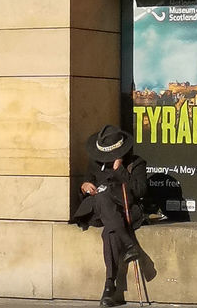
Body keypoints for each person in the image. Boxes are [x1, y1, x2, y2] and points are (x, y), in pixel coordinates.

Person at [71, 124, 149, 307]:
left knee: (110, 233)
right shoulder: (95, 163)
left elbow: (140, 191)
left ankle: (109, 286)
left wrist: (120, 171)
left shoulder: (135, 163)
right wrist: (84, 188)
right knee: (103, 197)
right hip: (99, 210)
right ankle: (129, 244)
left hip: (124, 210)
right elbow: (86, 184)